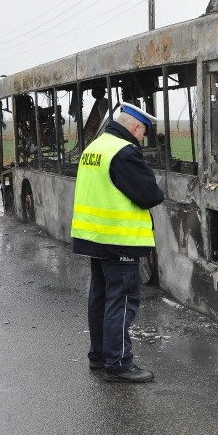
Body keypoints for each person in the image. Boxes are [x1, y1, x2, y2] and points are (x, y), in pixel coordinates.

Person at [71, 103, 164, 383]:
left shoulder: (96, 147)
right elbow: (150, 194)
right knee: (122, 300)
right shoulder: (123, 152)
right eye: (142, 132)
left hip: (95, 238)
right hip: (118, 240)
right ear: (134, 127)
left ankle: (99, 355)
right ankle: (119, 363)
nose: (141, 138)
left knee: (100, 297)